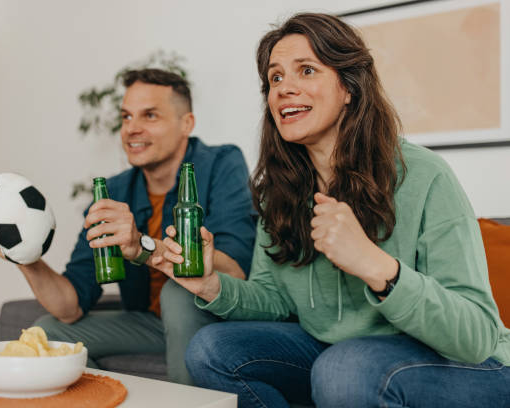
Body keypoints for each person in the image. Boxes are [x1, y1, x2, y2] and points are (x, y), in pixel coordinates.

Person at [154, 13, 510, 407]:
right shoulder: (281, 192)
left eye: (306, 70)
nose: (284, 88)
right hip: (339, 355)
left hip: (473, 365)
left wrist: (378, 268)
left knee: (343, 366)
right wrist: (210, 285)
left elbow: (476, 334)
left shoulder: (425, 175)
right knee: (211, 349)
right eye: (274, 78)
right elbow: (273, 298)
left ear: (349, 89)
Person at [0, 68, 256, 385]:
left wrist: (142, 245)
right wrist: (24, 257)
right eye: (126, 117)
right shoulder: (112, 192)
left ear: (187, 124)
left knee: (178, 293)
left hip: (213, 320)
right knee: (49, 330)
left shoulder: (221, 164)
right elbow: (70, 306)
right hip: (150, 325)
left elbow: (236, 270)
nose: (132, 129)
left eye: (149, 116)